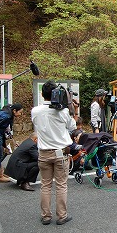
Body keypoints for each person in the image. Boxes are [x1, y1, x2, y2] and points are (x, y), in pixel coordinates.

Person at [31, 80, 76, 225]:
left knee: (45, 185)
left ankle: (46, 216)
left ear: (42, 94)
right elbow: (72, 126)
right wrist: (71, 108)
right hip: (60, 153)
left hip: (44, 153)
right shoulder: (63, 112)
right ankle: (62, 216)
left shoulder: (35, 111)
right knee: (61, 185)